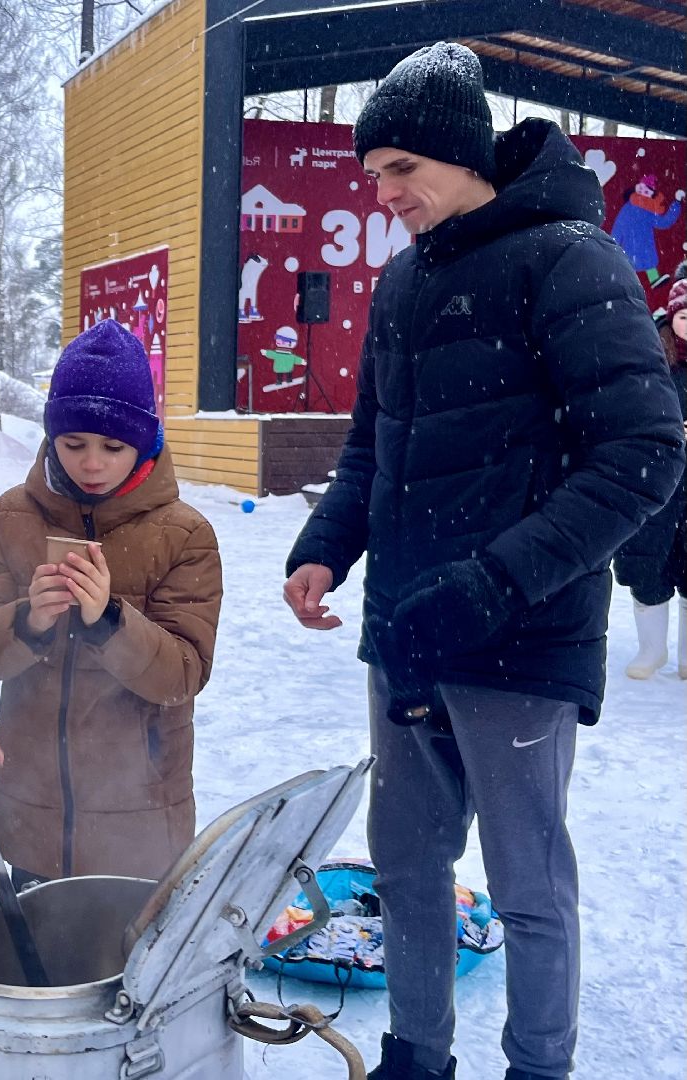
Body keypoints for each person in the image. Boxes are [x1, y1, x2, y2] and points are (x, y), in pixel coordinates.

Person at [282, 43, 685, 1080]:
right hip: (407, 634)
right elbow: (370, 446)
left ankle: (537, 1067)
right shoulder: (401, 280)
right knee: (407, 870)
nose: (382, 193)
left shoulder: (568, 260)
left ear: (463, 155)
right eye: (372, 173)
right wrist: (326, 546)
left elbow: (642, 454)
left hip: (521, 638)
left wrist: (498, 582)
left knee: (526, 885)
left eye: (400, 169)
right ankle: (416, 1056)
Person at [0, 319, 222, 887]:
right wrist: (29, 620)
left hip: (142, 818)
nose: (92, 463)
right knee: (38, 943)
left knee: (130, 945)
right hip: (33, 813)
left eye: (113, 446)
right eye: (73, 444)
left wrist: (110, 621)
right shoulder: (10, 518)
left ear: (144, 442)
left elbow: (183, 674)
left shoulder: (184, 535)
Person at [614, 276, 687, 678]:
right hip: (658, 477)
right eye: (683, 316)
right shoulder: (653, 360)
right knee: (646, 560)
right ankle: (652, 648)